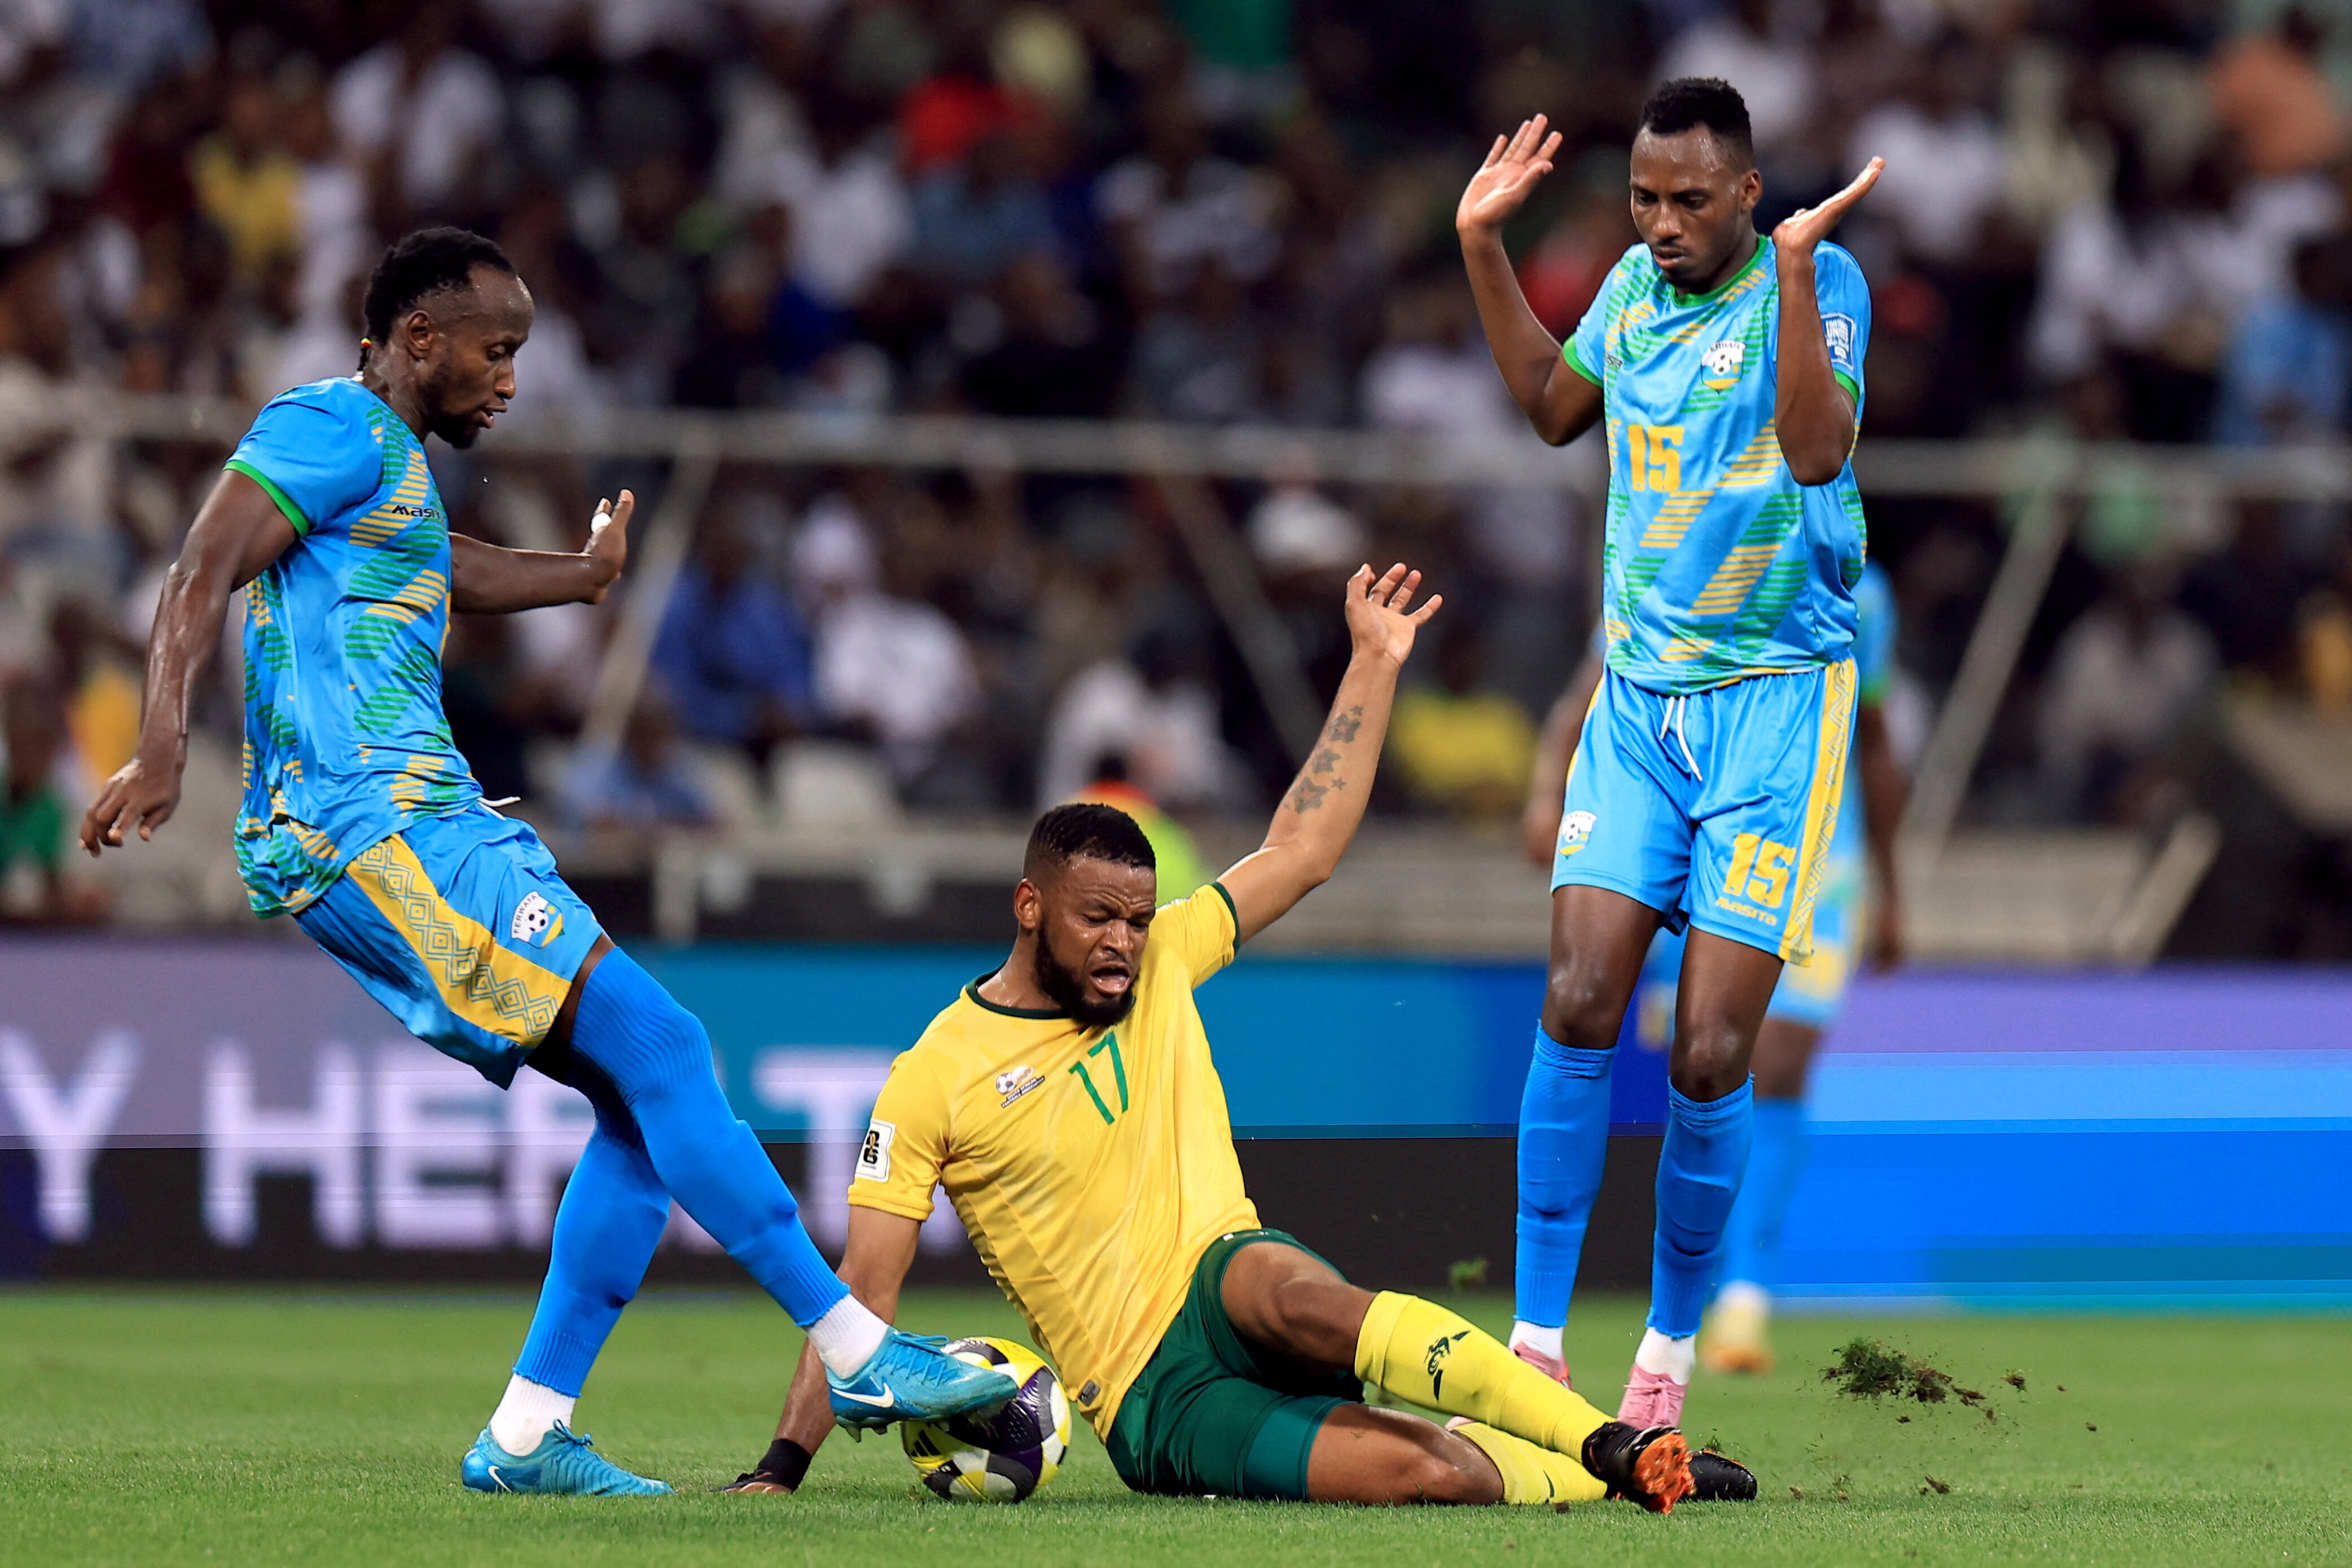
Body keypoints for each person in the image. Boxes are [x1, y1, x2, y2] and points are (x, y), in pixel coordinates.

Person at [77, 227, 1016, 1496]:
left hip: (434, 819)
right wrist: (161, 749)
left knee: (639, 1100)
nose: (512, 379)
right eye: (496, 350)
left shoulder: (387, 464)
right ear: (419, 339)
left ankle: (526, 1433)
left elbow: (433, 566)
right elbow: (200, 566)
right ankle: (855, 1350)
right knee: (669, 1046)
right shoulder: (324, 423)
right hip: (372, 824)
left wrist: (578, 578)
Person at [727, 566, 1754, 1512]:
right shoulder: (932, 1078)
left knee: (1297, 1291)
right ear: (1031, 907)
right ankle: (1594, 1476)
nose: (1124, 943)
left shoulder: (1167, 956)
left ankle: (1616, 1445)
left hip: (1225, 1274)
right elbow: (861, 1299)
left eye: (1136, 917)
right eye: (1099, 920)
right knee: (1417, 1469)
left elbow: (1301, 850)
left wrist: (1372, 665)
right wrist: (783, 1468)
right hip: (1150, 1393)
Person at [1456, 79, 1881, 1428]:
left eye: (1689, 200)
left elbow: (1817, 452)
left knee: (1704, 1050)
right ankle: (1530, 1349)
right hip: (1638, 704)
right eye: (1643, 199)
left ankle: (1666, 1362)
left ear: (1746, 195)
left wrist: (1802, 275)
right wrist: (1480, 244)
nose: (1660, 224)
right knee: (1580, 1002)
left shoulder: (1819, 281)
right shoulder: (1631, 296)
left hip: (1774, 707)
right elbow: (1544, 404)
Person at [1516, 560, 1908, 1376]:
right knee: (1690, 1055)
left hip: (1812, 834)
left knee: (1776, 1057)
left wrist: (1892, 886)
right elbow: (1595, 676)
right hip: (1675, 811)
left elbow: (1870, 739)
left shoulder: (1860, 593)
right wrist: (1548, 790)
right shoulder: (1672, 532)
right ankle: (1573, 1327)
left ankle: (1743, 1298)